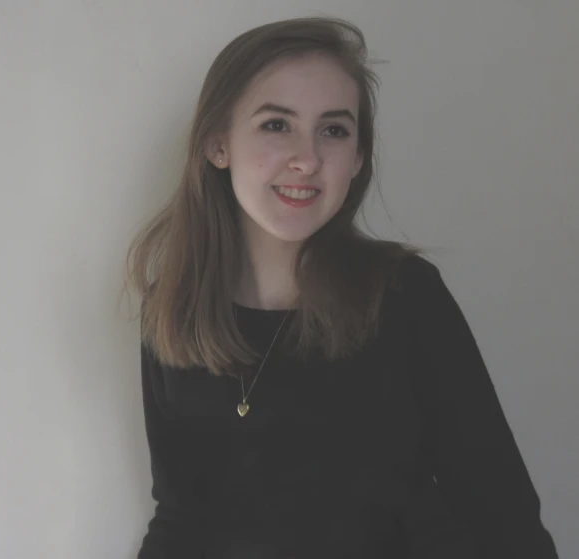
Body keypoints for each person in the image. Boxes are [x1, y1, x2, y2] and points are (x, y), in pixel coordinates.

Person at [126, 16, 559, 559]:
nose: (307, 159)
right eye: (276, 125)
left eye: (333, 129)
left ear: (357, 159)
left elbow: (503, 512)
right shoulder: (172, 312)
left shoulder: (405, 296)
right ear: (218, 144)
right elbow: (181, 514)